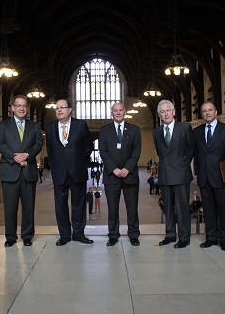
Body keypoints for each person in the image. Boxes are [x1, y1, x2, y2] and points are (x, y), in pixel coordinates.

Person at [45, 98, 94, 246]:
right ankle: (65, 235)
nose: (59, 110)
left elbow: (88, 147)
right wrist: (55, 166)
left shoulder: (80, 125)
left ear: (70, 110)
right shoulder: (50, 127)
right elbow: (50, 150)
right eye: (57, 108)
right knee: (60, 205)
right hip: (59, 173)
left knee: (78, 204)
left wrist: (77, 161)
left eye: (62, 107)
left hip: (77, 171)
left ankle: (78, 234)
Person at [0, 95, 43, 247]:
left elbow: (38, 145)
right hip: (10, 171)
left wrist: (27, 155)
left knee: (28, 207)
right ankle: (10, 237)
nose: (21, 108)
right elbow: (0, 144)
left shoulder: (34, 126)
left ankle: (27, 236)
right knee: (10, 207)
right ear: (12, 108)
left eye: (24, 105)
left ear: (27, 108)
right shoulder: (3, 125)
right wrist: (16, 157)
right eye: (18, 105)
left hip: (28, 171)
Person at [194, 101, 225, 251]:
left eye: (210, 110)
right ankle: (211, 237)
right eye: (204, 111)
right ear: (202, 114)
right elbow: (197, 154)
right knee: (208, 209)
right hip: (204, 176)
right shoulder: (197, 131)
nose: (207, 113)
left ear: (216, 112)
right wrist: (196, 173)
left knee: (224, 209)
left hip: (221, 175)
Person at [98, 101, 142, 246]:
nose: (118, 112)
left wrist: (127, 168)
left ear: (125, 112)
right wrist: (114, 169)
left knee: (132, 207)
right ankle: (113, 235)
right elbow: (103, 152)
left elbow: (136, 151)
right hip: (111, 176)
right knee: (112, 208)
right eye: (115, 110)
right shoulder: (104, 130)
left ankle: (134, 234)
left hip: (130, 175)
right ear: (112, 112)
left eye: (120, 110)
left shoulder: (134, 129)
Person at [152, 99, 194, 249]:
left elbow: (191, 149)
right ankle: (170, 235)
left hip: (181, 174)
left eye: (167, 110)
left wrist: (182, 164)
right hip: (164, 174)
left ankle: (184, 238)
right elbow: (160, 152)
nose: (165, 114)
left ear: (174, 112)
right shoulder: (156, 132)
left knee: (182, 208)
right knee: (167, 207)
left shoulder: (185, 128)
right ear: (159, 115)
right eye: (162, 112)